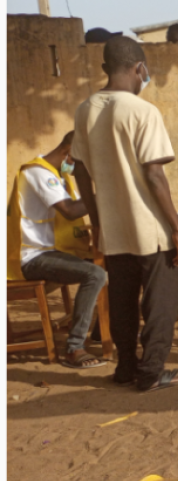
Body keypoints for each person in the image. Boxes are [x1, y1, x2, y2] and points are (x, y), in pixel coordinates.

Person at [72, 36, 178, 391]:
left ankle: (126, 366)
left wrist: (97, 221)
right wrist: (177, 228)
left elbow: (79, 171)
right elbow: (154, 174)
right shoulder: (143, 111)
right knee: (163, 300)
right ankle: (152, 371)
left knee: (122, 300)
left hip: (113, 229)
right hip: (150, 227)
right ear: (140, 68)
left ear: (104, 68)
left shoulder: (85, 109)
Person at [6, 131, 108, 368]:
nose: (78, 169)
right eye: (78, 162)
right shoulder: (39, 173)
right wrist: (104, 194)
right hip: (31, 257)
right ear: (68, 152)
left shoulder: (55, 174)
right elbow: (70, 211)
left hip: (51, 251)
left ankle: (100, 331)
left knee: (116, 262)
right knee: (94, 274)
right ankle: (74, 348)